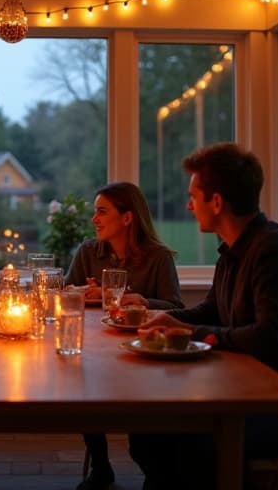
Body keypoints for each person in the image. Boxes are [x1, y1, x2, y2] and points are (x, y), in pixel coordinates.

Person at [127, 142, 278, 489]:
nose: (189, 205)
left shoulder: (274, 252)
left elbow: (272, 341)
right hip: (266, 396)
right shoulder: (234, 250)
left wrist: (192, 334)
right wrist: (169, 321)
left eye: (194, 196)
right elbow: (212, 310)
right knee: (149, 434)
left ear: (217, 202)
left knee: (190, 445)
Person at [63, 181, 182, 490]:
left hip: (142, 347)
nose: (94, 219)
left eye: (102, 212)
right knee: (83, 387)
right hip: (96, 343)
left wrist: (142, 300)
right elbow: (64, 292)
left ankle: (155, 471)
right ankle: (101, 467)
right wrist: (81, 291)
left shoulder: (158, 257)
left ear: (127, 218)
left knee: (141, 428)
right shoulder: (89, 251)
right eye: (94, 212)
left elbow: (176, 307)